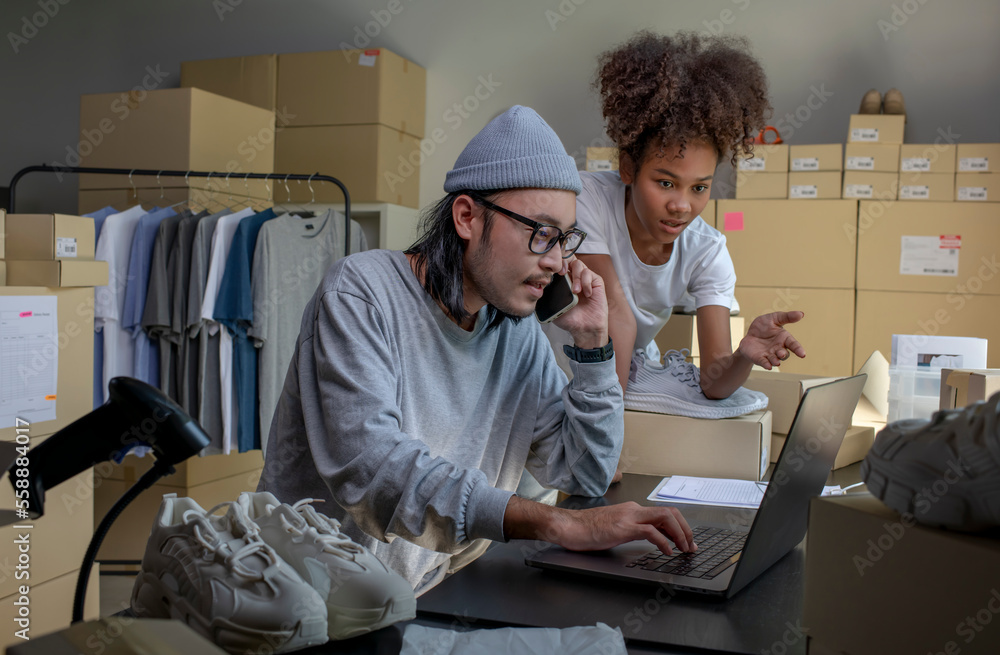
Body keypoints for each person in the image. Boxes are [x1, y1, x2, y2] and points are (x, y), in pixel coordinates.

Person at [259, 105, 696, 595]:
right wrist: (556, 523)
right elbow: (373, 472)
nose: (556, 261)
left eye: (566, 239)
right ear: (467, 216)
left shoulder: (516, 333)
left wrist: (594, 347)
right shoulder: (362, 292)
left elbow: (586, 471)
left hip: (427, 594)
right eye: (541, 234)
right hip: (310, 604)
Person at [544, 31, 806, 404]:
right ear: (629, 167)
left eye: (699, 188)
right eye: (666, 182)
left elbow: (714, 382)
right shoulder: (586, 200)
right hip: (550, 369)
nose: (682, 205)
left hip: (620, 375)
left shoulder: (707, 251)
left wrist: (743, 355)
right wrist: (606, 437)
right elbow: (614, 314)